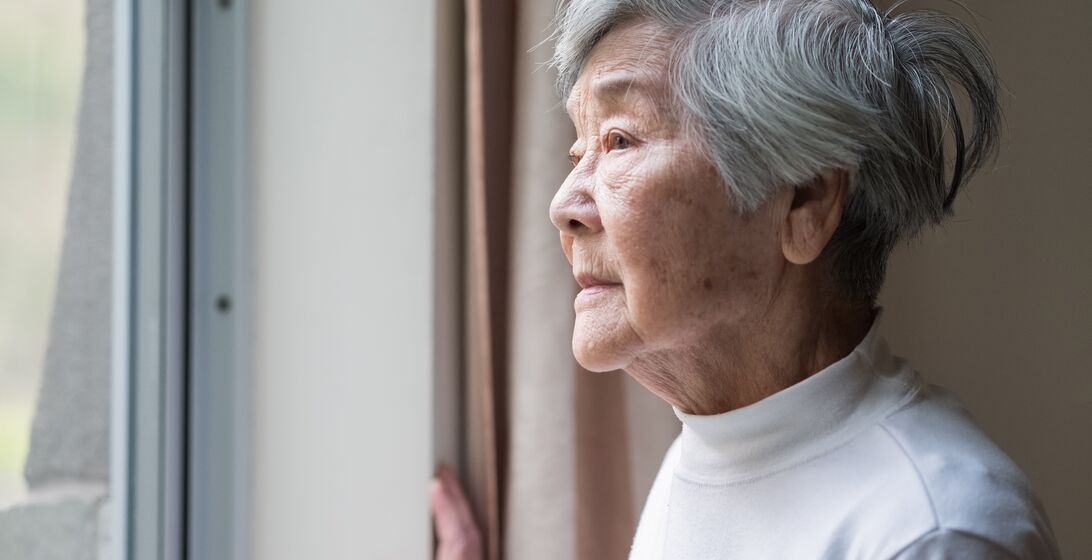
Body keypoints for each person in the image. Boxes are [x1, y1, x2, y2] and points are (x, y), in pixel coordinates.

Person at [431, 0, 1061, 558]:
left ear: (806, 200)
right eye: (579, 151)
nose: (563, 205)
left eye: (620, 141)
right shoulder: (709, 449)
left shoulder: (932, 532)